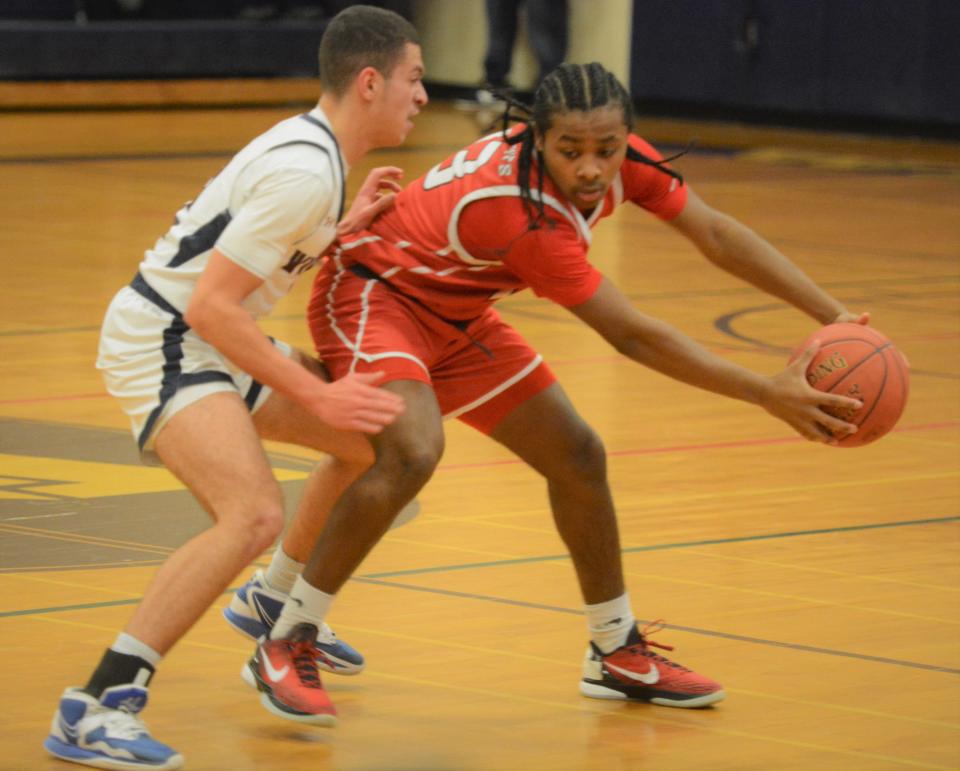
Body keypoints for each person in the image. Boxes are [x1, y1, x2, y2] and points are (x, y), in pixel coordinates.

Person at [235, 61, 868, 723]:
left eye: (608, 150)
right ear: (537, 140)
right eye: (571, 151)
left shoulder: (622, 159)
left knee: (577, 454)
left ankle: (614, 649)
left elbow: (715, 231)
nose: (592, 167)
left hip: (458, 309)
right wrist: (767, 391)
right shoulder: (521, 214)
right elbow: (632, 336)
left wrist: (832, 315)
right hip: (375, 291)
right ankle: (285, 634)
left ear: (628, 139)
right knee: (412, 451)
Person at [43, 5, 427, 769]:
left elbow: (246, 261)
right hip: (166, 339)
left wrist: (343, 226)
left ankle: (272, 599)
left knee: (364, 447)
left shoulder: (317, 158)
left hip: (202, 334)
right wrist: (316, 394)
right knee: (250, 512)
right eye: (415, 80)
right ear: (371, 80)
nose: (423, 95)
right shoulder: (303, 170)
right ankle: (99, 703)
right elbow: (212, 306)